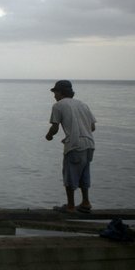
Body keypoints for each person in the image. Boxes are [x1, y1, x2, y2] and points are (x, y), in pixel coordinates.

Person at [45, 80, 97, 213]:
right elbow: (92, 127)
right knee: (84, 173)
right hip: (89, 144)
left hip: (74, 145)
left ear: (61, 92)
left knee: (70, 175)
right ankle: (86, 202)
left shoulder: (58, 106)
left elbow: (55, 127)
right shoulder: (83, 104)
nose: (54, 96)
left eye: (55, 92)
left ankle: (70, 206)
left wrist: (49, 136)